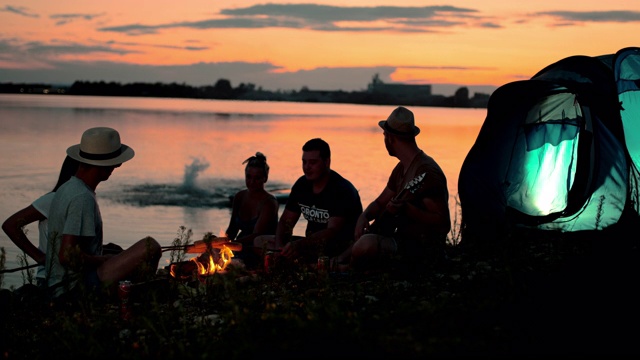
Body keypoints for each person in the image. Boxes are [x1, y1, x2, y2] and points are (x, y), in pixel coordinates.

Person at [45, 127, 162, 301]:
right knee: (150, 246)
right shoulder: (81, 197)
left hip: (63, 284)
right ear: (108, 166)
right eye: (115, 163)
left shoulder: (68, 187)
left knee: (117, 250)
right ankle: (137, 299)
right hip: (71, 289)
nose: (117, 166)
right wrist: (103, 260)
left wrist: (109, 255)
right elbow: (66, 256)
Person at [332, 106, 451, 274]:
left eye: (384, 136)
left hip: (422, 251)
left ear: (390, 138)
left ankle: (345, 269)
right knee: (362, 237)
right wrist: (364, 216)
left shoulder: (427, 172)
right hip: (402, 241)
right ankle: (338, 263)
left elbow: (443, 224)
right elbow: (381, 202)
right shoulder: (401, 168)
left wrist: (408, 209)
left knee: (367, 245)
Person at [254, 138, 363, 264]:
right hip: (308, 246)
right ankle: (288, 260)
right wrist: (280, 247)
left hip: (338, 249)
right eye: (304, 162)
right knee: (259, 242)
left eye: (312, 162)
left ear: (327, 162)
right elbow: (285, 221)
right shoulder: (301, 185)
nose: (307, 167)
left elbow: (333, 232)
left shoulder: (341, 189)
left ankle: (307, 265)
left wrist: (299, 245)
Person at [2, 156, 80, 287]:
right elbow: (10, 225)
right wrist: (40, 257)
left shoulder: (81, 200)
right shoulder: (53, 199)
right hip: (51, 279)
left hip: (72, 278)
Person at [225, 152, 279, 267]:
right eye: (248, 177)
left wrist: (229, 244)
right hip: (239, 249)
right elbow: (232, 229)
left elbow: (256, 235)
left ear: (265, 178)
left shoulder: (269, 203)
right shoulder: (239, 197)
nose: (252, 182)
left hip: (260, 252)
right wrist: (218, 242)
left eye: (257, 178)